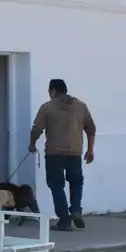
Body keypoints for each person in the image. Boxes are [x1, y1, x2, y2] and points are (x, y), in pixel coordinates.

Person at [28, 78, 96, 233]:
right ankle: (76, 209)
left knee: (56, 185)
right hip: (75, 153)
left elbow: (36, 129)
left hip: (54, 154)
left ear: (52, 90)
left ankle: (64, 220)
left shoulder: (47, 107)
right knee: (76, 182)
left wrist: (31, 144)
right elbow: (91, 128)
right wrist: (90, 150)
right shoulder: (80, 106)